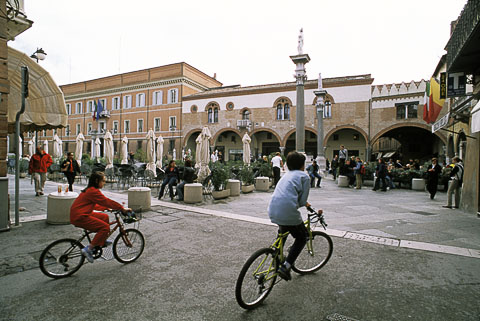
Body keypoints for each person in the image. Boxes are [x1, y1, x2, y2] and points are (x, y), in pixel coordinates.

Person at [268, 151, 323, 281]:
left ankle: (276, 256)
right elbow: (302, 201)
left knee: (284, 231)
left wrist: (305, 204)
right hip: (288, 212)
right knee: (302, 237)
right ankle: (286, 266)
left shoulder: (286, 176)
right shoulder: (304, 177)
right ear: (303, 165)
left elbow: (289, 194)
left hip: (273, 209)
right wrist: (307, 205)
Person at [70, 172, 131, 263]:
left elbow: (95, 205)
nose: (104, 183)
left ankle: (101, 240)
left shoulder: (90, 190)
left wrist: (107, 208)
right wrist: (121, 208)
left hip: (81, 213)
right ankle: (88, 249)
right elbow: (106, 201)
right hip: (80, 216)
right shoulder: (93, 191)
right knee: (105, 227)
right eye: (103, 181)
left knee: (104, 217)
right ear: (96, 181)